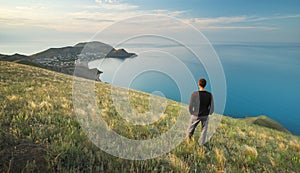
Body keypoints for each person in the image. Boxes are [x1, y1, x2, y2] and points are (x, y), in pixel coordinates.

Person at [187, 78, 214, 144]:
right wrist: (209, 113)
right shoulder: (209, 95)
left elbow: (191, 105)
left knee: (190, 128)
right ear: (205, 85)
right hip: (205, 115)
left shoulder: (194, 94)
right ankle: (201, 143)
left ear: (198, 84)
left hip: (195, 114)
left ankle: (188, 141)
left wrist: (191, 112)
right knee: (204, 130)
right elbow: (212, 106)